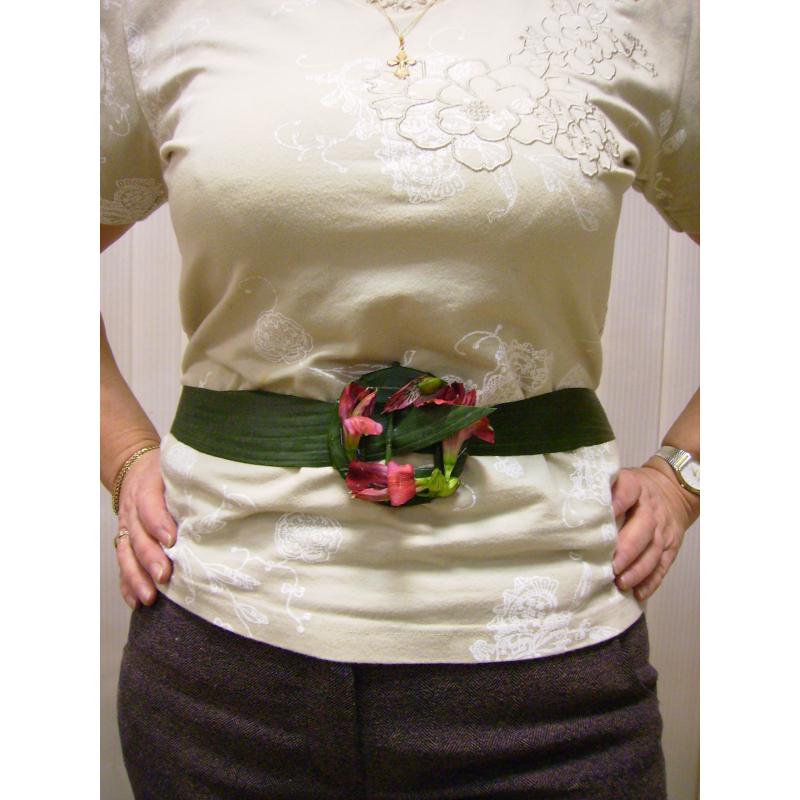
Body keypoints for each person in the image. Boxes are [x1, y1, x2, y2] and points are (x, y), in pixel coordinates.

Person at [101, 0, 699, 797]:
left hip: (553, 677)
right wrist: (124, 453)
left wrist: (682, 474)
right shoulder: (159, 15)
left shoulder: (649, 18)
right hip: (221, 655)